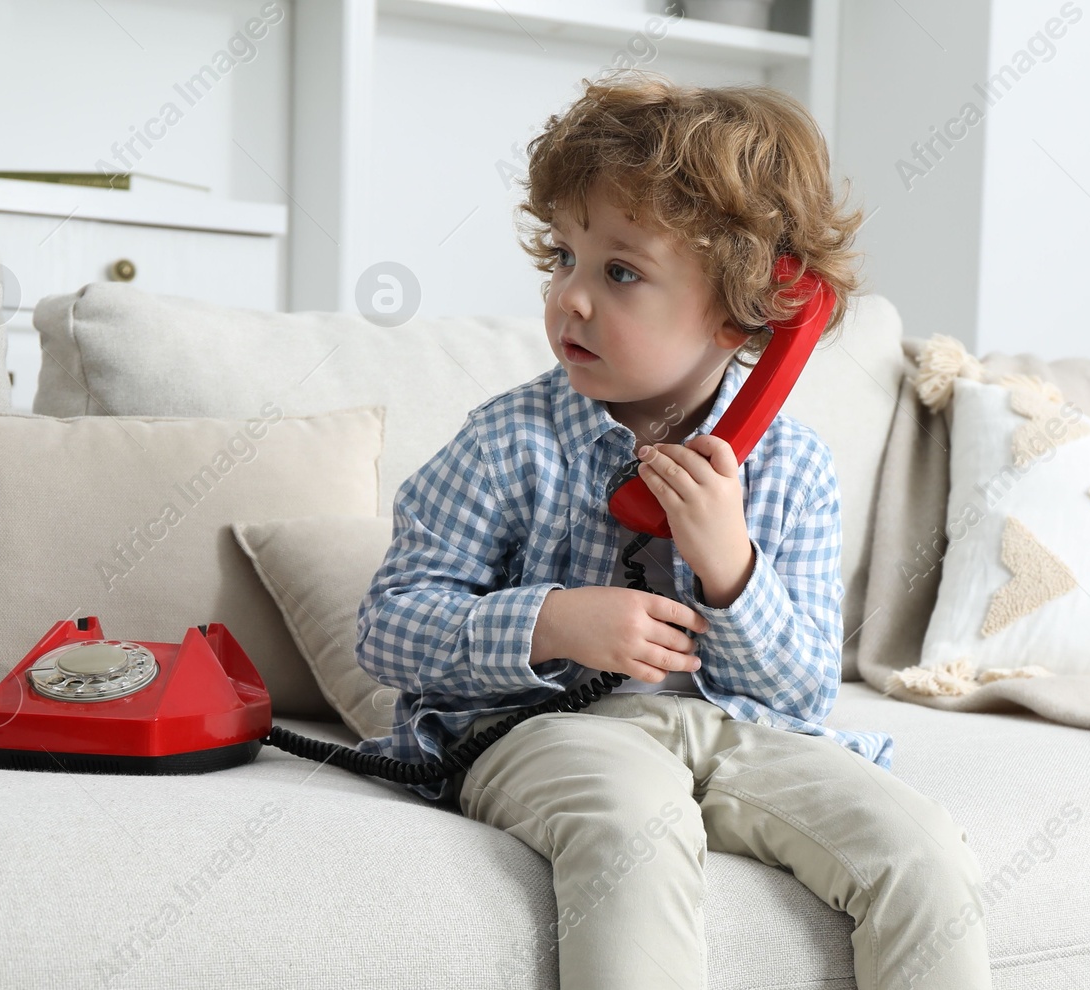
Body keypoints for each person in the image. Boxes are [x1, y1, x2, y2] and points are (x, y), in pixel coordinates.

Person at [355, 70, 992, 990]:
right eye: (565, 260)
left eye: (620, 272)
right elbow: (388, 626)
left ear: (745, 312)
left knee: (923, 853)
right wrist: (553, 622)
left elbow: (804, 695)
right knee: (635, 826)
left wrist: (731, 569)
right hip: (545, 731)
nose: (572, 299)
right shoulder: (508, 441)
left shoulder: (791, 467)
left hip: (739, 729)